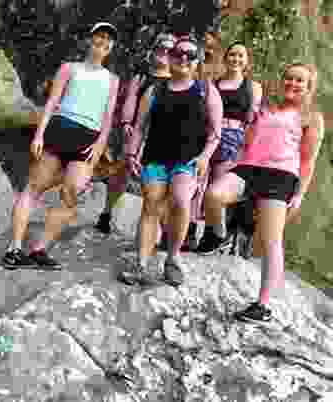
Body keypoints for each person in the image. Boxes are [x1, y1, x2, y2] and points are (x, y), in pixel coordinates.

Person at [203, 63, 324, 323]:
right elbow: (248, 140)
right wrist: (237, 160)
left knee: (271, 240)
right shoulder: (266, 108)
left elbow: (308, 161)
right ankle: (220, 236)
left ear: (309, 87)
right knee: (213, 195)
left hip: (280, 177)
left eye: (299, 81)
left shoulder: (311, 118)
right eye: (289, 78)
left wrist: (300, 194)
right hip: (249, 168)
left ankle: (263, 305)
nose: (292, 83)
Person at [1, 22, 120, 270]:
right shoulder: (69, 68)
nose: (103, 40)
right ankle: (14, 248)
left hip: (88, 137)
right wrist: (39, 135)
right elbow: (53, 101)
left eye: (108, 38)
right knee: (34, 187)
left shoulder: (112, 80)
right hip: (60, 129)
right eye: (99, 35)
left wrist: (100, 145)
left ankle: (39, 249)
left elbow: (108, 116)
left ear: (111, 47)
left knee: (72, 193)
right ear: (89, 39)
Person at [118, 35, 223, 286]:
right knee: (151, 204)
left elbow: (216, 132)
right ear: (171, 58)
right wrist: (132, 153)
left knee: (181, 199)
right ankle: (141, 264)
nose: (183, 58)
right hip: (155, 157)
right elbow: (141, 126)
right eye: (178, 54)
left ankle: (173, 259)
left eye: (189, 55)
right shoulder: (156, 89)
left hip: (188, 159)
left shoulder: (206, 90)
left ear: (197, 62)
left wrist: (205, 157)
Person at [95, 33, 175, 249]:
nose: (164, 52)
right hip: (136, 132)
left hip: (162, 136)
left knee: (159, 183)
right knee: (121, 172)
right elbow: (130, 97)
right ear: (154, 49)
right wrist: (126, 123)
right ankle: (106, 213)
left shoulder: (176, 79)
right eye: (161, 47)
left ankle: (165, 232)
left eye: (169, 49)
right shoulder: (142, 76)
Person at [192, 42, 263, 253]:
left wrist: (248, 150)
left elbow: (254, 122)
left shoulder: (253, 87)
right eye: (232, 55)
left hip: (234, 139)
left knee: (217, 189)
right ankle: (189, 231)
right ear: (226, 58)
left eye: (241, 55)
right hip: (209, 136)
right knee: (197, 186)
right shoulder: (214, 84)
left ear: (246, 61)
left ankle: (213, 235)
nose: (236, 59)